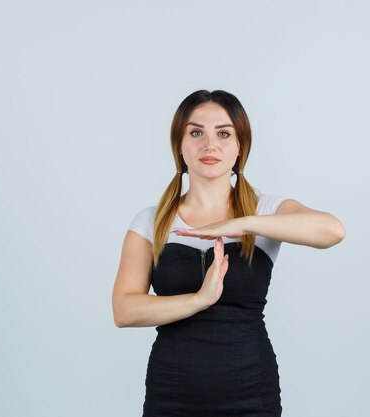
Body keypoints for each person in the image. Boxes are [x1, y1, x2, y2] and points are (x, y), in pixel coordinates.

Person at [112, 89, 346, 417]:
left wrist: (247, 223)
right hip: (172, 392)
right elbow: (124, 310)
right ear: (179, 146)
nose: (210, 145)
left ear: (240, 147)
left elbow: (332, 231)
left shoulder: (266, 209)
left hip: (251, 391)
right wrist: (199, 299)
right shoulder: (151, 220)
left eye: (224, 133)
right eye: (196, 133)